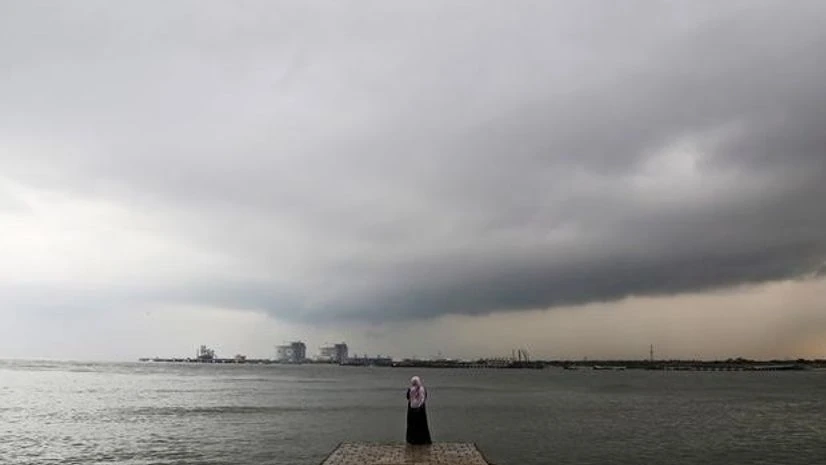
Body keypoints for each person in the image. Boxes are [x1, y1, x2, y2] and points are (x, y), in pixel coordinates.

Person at [405, 376, 432, 445]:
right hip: (421, 410)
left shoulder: (410, 389)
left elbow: (408, 397)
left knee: (412, 425)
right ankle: (423, 440)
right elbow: (425, 397)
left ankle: (412, 440)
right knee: (422, 425)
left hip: (412, 410)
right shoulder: (423, 389)